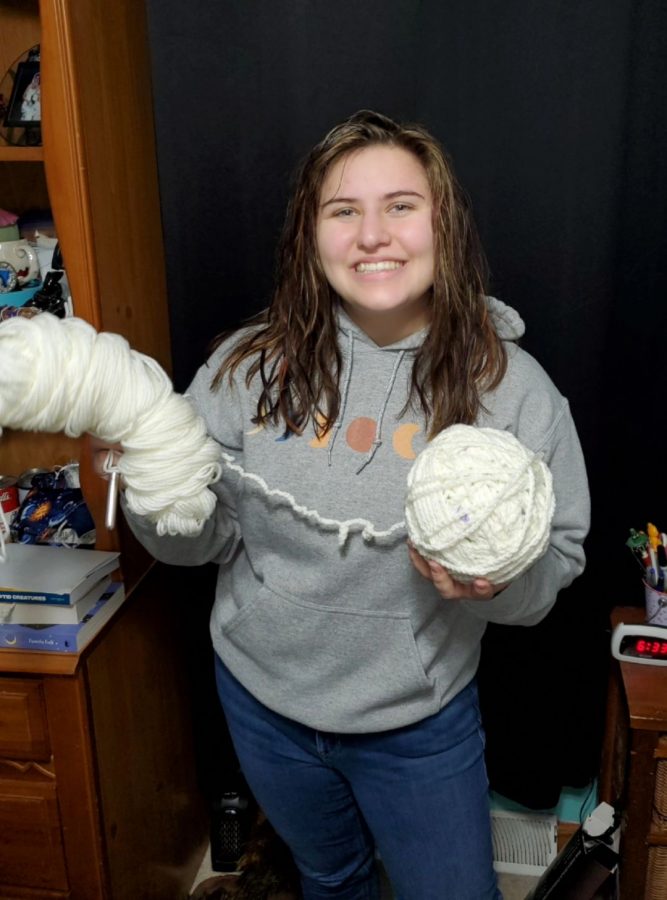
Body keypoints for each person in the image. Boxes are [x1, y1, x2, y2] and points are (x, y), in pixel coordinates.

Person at [101, 110, 590, 899]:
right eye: (342, 210)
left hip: (417, 725)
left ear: (445, 224)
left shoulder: (514, 391)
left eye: (401, 204)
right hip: (263, 704)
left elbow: (557, 562)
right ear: (311, 233)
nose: (372, 235)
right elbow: (200, 544)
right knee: (330, 880)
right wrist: (160, 496)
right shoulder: (244, 367)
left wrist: (496, 587)